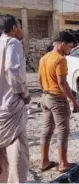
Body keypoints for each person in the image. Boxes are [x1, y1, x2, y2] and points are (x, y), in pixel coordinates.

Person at [38, 31, 79, 173]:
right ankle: (63, 164)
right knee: (63, 131)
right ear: (62, 43)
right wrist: (73, 100)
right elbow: (62, 83)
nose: (70, 50)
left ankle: (44, 162)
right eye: (69, 47)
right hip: (57, 99)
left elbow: (39, 80)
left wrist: (46, 93)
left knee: (47, 130)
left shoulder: (44, 58)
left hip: (45, 97)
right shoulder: (60, 59)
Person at [0, 14, 30, 183]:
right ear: (13, 28)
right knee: (18, 159)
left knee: (1, 162)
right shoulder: (12, 43)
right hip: (11, 110)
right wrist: (24, 94)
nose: (21, 29)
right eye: (19, 26)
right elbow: (12, 70)